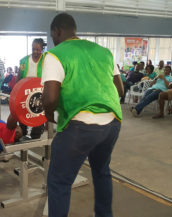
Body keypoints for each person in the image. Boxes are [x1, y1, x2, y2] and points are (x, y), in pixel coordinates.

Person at [42, 13, 123, 217]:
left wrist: (49, 113)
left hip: (80, 126)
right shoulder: (103, 52)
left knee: (59, 182)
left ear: (56, 32)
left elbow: (50, 98)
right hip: (111, 124)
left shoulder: (55, 54)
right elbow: (120, 91)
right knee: (101, 171)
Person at [18, 38, 47, 139]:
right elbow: (19, 78)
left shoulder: (47, 60)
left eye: (38, 50)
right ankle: (22, 132)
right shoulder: (24, 61)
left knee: (38, 114)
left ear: (42, 49)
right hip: (25, 92)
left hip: (40, 93)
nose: (35, 52)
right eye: (33, 49)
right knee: (23, 114)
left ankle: (36, 135)